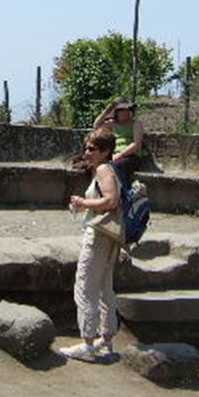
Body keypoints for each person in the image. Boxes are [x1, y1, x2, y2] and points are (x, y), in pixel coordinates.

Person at [59, 128, 124, 363]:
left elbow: (111, 200)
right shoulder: (111, 168)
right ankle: (106, 339)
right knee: (105, 287)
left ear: (105, 151)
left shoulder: (104, 170)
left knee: (85, 286)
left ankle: (87, 343)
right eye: (86, 148)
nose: (86, 153)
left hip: (99, 235)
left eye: (91, 149)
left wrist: (83, 202)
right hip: (110, 235)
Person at [93, 97, 144, 181]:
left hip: (131, 156)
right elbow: (96, 126)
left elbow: (137, 144)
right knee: (91, 164)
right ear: (116, 112)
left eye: (126, 109)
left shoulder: (136, 123)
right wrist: (108, 110)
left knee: (114, 167)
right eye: (120, 110)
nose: (124, 112)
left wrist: (120, 154)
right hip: (114, 155)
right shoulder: (113, 124)